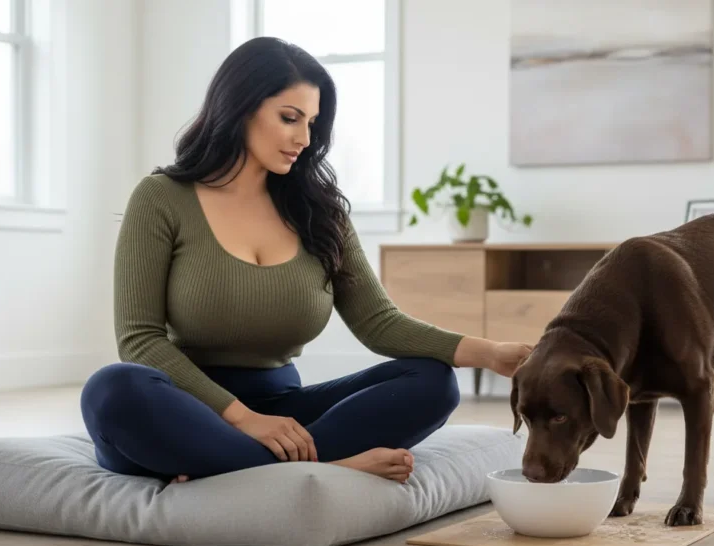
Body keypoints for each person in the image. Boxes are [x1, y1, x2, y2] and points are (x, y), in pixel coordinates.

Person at [80, 37, 532, 485]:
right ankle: (313, 470)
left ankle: (238, 469)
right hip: (185, 406)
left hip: (285, 414)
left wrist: (491, 354)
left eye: (312, 123)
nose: (305, 138)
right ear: (240, 107)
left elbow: (378, 322)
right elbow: (139, 341)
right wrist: (244, 420)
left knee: (433, 381)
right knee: (113, 390)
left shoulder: (320, 212)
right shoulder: (161, 199)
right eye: (289, 118)